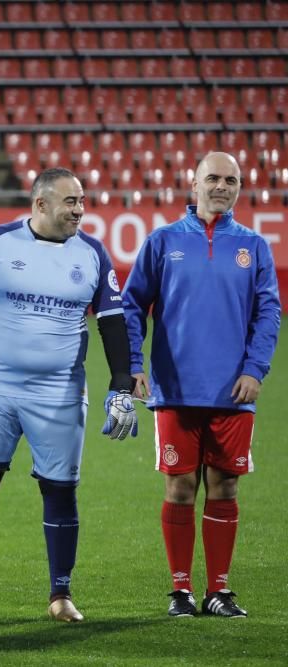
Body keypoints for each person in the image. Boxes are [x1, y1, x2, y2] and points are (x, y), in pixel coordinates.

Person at [0, 167, 138, 624]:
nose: (79, 209)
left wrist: (121, 383)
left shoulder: (93, 253)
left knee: (60, 491)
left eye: (81, 201)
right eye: (70, 201)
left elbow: (112, 321)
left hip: (60, 390)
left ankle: (61, 595)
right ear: (40, 205)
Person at [122, 152, 281, 618]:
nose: (221, 186)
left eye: (231, 180)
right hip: (174, 389)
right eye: (212, 178)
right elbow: (133, 306)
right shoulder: (163, 241)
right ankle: (181, 591)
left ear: (239, 187)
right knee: (180, 489)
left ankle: (220, 591)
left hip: (233, 391)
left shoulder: (254, 245)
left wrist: (255, 369)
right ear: (193, 184)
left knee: (225, 487)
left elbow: (268, 313)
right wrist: (134, 364)